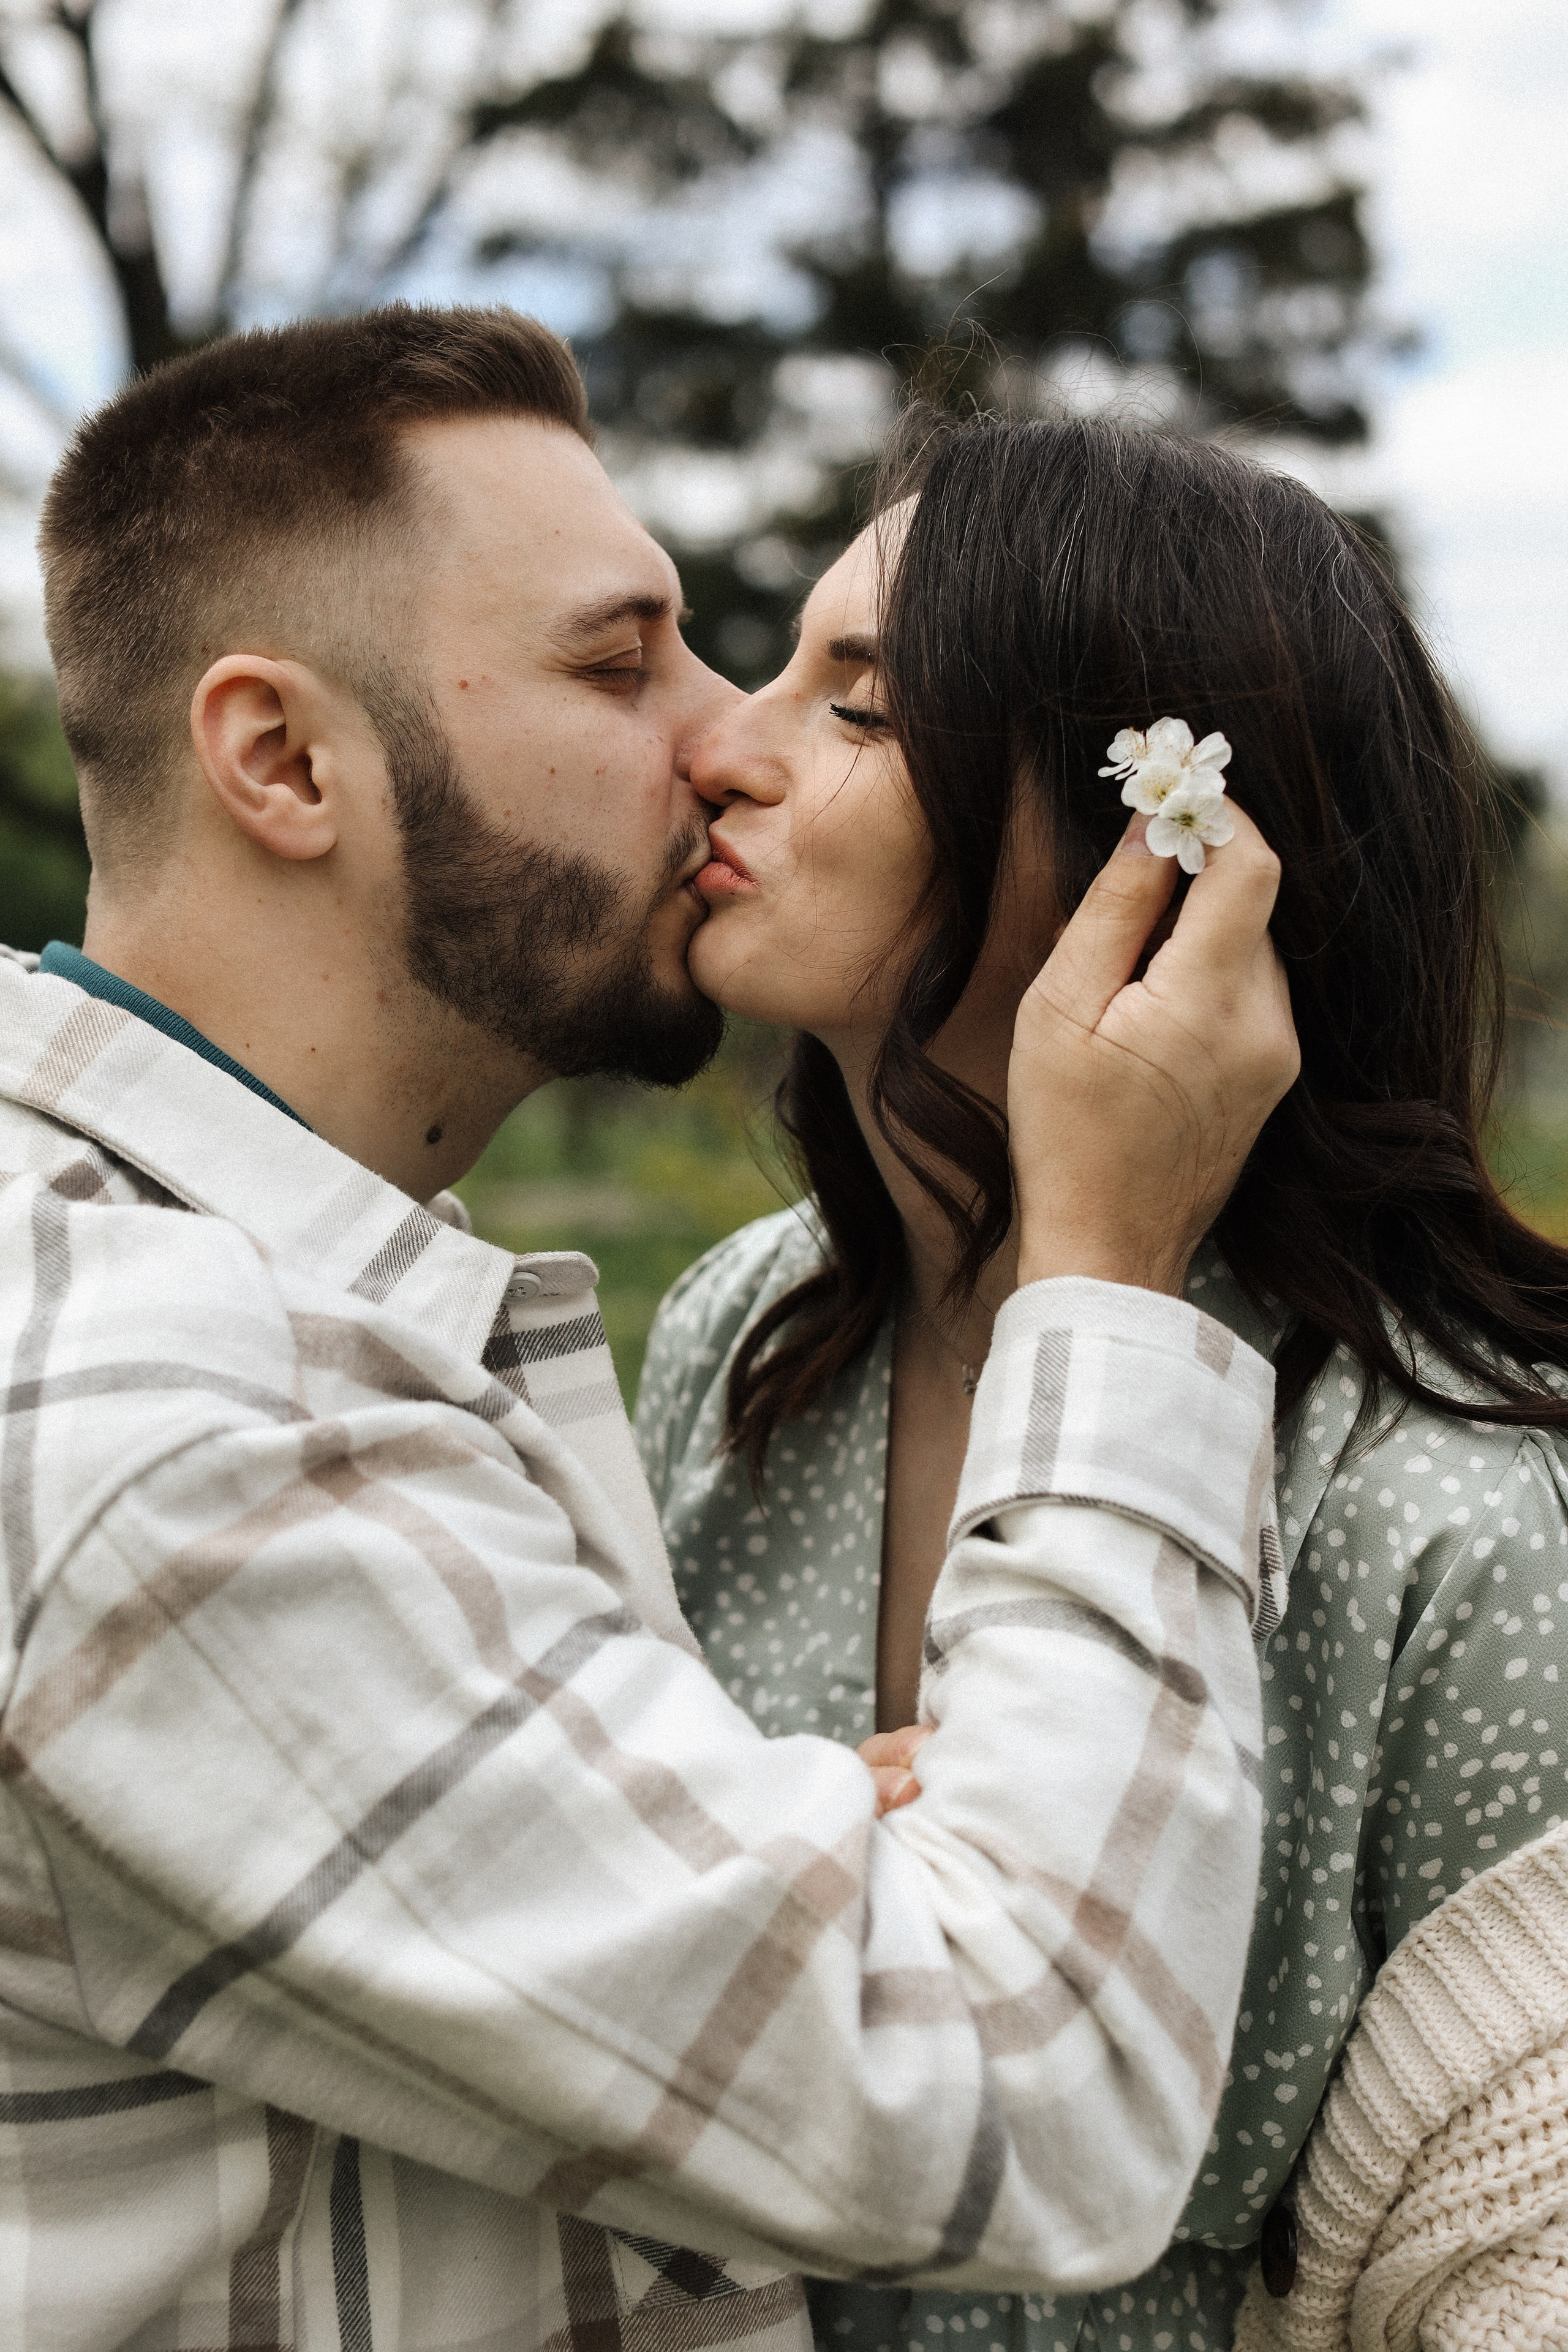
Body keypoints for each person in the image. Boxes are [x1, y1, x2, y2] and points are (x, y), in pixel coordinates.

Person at [0, 309, 1298, 2350]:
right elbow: (1031, 2097)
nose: (719, 741)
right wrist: (1110, 1287)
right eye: (620, 667)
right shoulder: (166, 1433)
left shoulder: (222, 1329)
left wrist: (762, 1847)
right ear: (284, 761)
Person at [637, 406, 1568, 2352]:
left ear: (1156, 856)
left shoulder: (1449, 1515)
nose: (719, 742)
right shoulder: (737, 1342)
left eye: (858, 705)